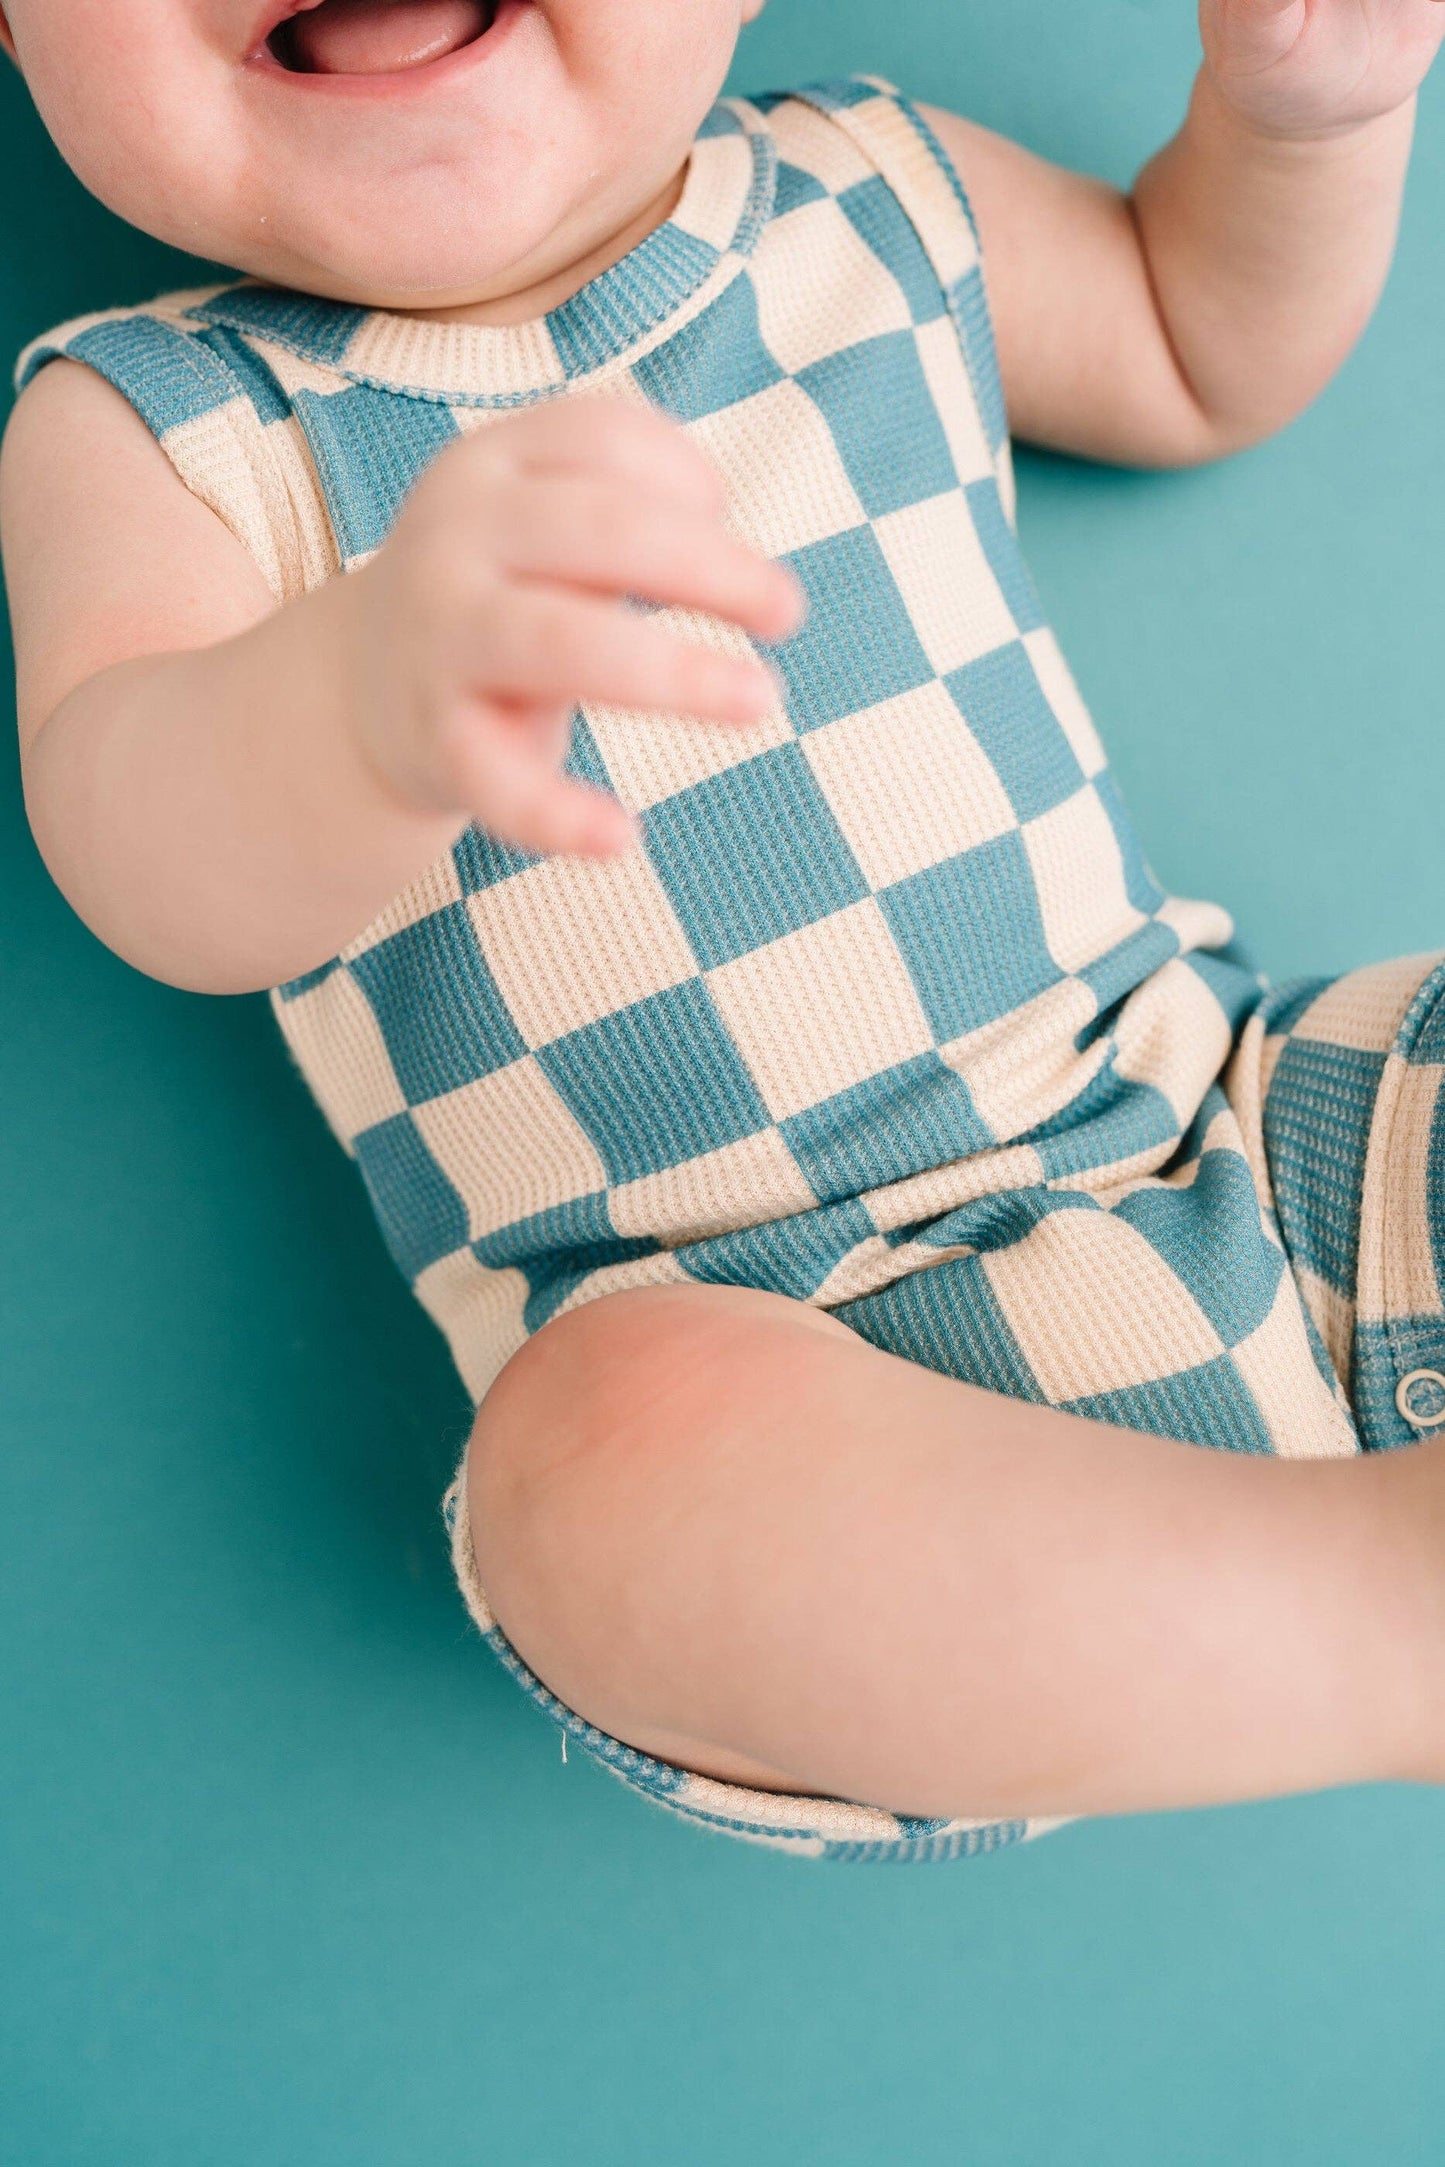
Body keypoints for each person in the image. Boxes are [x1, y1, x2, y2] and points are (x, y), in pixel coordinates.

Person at [6, 0, 1445, 1863]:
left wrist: (1310, 125)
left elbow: (1189, 348)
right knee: (581, 1483)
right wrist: (361, 696)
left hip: (1235, 1132)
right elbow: (145, 860)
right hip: (764, 1358)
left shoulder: (867, 190)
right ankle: (1388, 1633)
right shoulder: (160, 424)